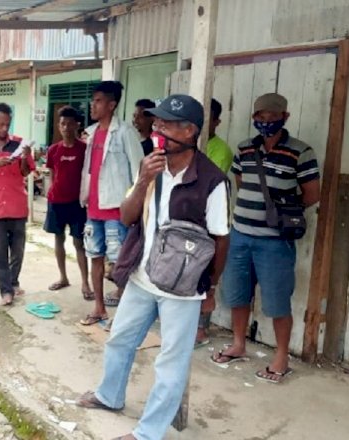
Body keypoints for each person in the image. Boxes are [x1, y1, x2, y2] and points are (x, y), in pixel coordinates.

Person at [77, 94, 230, 440]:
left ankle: (148, 433)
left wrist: (210, 289)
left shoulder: (212, 181)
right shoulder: (152, 166)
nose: (157, 129)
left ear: (189, 131)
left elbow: (221, 240)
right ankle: (109, 396)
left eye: (166, 124)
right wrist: (144, 180)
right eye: (156, 122)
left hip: (183, 289)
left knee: (170, 364)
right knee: (120, 340)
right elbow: (127, 216)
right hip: (142, 277)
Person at [213, 93, 321, 384]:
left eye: (272, 117)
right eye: (260, 116)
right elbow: (240, 181)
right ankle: (238, 344)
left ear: (285, 117)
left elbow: (311, 195)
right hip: (240, 236)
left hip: (275, 242)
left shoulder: (301, 151)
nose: (265, 122)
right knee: (237, 295)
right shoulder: (245, 148)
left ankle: (281, 357)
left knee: (276, 302)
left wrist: (279, 210)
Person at [79, 81, 143, 325]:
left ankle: (126, 316)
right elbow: (89, 170)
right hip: (93, 207)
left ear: (112, 104)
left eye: (98, 101)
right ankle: (99, 308)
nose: (92, 105)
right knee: (95, 256)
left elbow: (139, 172)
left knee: (121, 264)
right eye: (93, 100)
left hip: (117, 210)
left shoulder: (125, 132)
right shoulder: (92, 131)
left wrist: (135, 206)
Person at [0, 103, 36, 305]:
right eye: (1, 124)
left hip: (17, 205)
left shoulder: (19, 144)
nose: (4, 129)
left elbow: (25, 172)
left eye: (8, 125)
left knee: (17, 250)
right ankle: (5, 290)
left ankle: (13, 282)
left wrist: (24, 156)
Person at [195, 97, 235, 346]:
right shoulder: (190, 146)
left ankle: (202, 327)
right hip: (190, 219)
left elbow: (206, 183)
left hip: (209, 220)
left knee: (207, 272)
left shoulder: (220, 149)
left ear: (217, 121)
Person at [43, 106, 91, 299]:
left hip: (77, 204)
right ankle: (63, 277)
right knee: (58, 239)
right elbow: (52, 174)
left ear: (77, 125)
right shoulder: (54, 150)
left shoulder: (84, 149)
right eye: (63, 124)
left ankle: (86, 283)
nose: (66, 127)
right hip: (56, 202)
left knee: (79, 243)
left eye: (70, 124)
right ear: (58, 126)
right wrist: (50, 191)